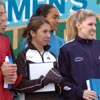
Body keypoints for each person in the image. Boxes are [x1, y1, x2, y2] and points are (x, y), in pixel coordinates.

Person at [15, 16, 63, 100]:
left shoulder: (52, 56)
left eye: (49, 32)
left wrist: (60, 81)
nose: (48, 36)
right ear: (32, 33)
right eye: (44, 32)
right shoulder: (23, 56)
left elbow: (58, 89)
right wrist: (44, 81)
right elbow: (19, 86)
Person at [58, 9, 99, 100]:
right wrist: (81, 93)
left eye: (95, 25)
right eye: (90, 24)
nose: (94, 28)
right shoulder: (66, 49)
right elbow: (62, 82)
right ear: (78, 25)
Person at [0, 2, 22, 100]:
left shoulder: (5, 39)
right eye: (0, 14)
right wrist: (2, 72)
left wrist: (14, 77)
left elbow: (14, 73)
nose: (3, 18)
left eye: (3, 13)